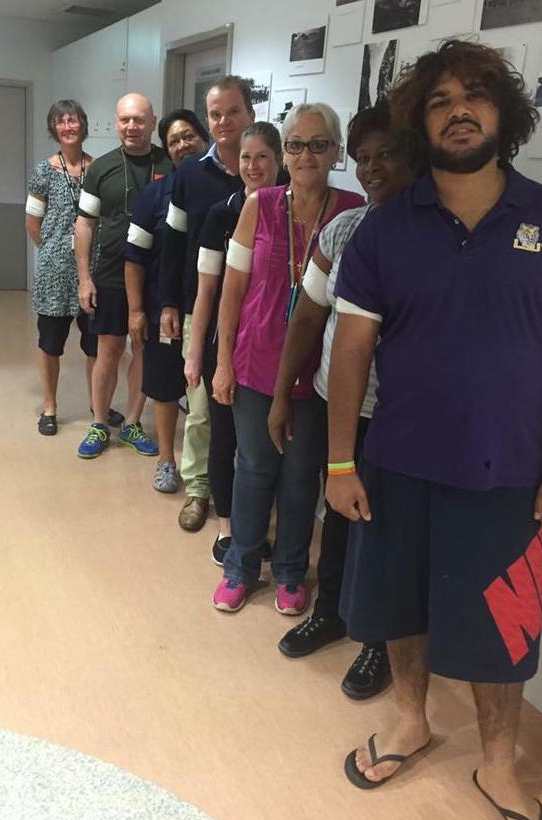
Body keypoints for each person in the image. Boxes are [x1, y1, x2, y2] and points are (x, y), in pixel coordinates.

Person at [327, 40, 542, 820]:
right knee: (402, 608)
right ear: (421, 118)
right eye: (440, 99)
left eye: (475, 94)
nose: (459, 110)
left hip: (507, 471)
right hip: (397, 463)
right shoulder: (384, 229)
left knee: (503, 630)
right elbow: (350, 351)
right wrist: (340, 459)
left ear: (503, 113)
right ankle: (411, 720)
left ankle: (498, 764)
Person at [268, 101, 414, 700]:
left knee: (383, 530)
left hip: (399, 416)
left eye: (387, 155)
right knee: (338, 516)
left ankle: (379, 641)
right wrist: (282, 395)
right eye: (364, 158)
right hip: (337, 402)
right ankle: (330, 611)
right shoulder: (345, 229)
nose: (374, 168)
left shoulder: (429, 236)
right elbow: (305, 320)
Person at [211, 103, 365, 614]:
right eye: (296, 144)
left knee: (302, 476)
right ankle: (240, 566)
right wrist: (222, 361)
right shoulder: (260, 204)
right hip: (255, 363)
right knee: (254, 468)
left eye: (317, 145)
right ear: (285, 153)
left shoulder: (353, 208)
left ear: (336, 153)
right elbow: (231, 290)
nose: (305, 155)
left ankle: (293, 572)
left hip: (316, 372)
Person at [159, 76, 255, 531]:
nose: (223, 121)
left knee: (247, 414)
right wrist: (169, 303)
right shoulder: (190, 174)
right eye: (215, 113)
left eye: (232, 111)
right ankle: (199, 490)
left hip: (258, 316)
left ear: (249, 113)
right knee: (200, 410)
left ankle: (245, 495)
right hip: (203, 310)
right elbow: (172, 244)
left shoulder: (265, 168)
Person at [184, 122, 282, 561]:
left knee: (264, 442)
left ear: (279, 160)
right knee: (226, 437)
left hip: (274, 347)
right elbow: (206, 291)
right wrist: (194, 350)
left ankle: (256, 525)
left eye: (263, 156)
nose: (253, 166)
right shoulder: (221, 215)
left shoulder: (288, 213)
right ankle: (228, 529)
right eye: (246, 157)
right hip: (226, 347)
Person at [75, 93, 171, 459]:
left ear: (151, 121)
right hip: (111, 275)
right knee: (109, 350)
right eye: (125, 120)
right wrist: (85, 277)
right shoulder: (101, 168)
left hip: (155, 276)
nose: (131, 127)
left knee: (145, 348)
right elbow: (84, 224)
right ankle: (100, 424)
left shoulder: (168, 163)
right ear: (116, 123)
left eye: (139, 120)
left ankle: (131, 422)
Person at [124, 109, 209, 493]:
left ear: (203, 137)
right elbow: (134, 257)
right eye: (174, 141)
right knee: (164, 384)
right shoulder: (156, 194)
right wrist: (138, 310)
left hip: (213, 311)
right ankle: (166, 461)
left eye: (189, 135)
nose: (182, 145)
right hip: (165, 309)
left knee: (208, 395)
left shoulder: (224, 186)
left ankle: (208, 470)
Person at [25, 100, 123, 435]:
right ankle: (50, 406)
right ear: (54, 129)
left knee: (95, 342)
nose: (68, 127)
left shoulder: (99, 169)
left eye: (73, 120)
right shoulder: (43, 171)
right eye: (61, 122)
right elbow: (32, 223)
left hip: (94, 272)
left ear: (84, 125)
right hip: (55, 274)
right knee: (50, 342)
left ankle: (99, 404)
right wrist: (54, 251)